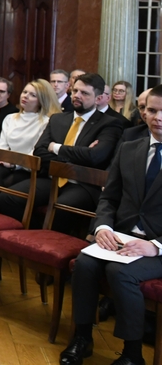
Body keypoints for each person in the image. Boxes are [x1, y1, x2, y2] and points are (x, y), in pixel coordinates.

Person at [59, 84, 162, 365]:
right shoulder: (130, 147)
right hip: (121, 236)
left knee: (119, 273)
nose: (158, 117)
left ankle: (132, 354)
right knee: (85, 263)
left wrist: (154, 246)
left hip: (157, 246)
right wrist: (102, 227)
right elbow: (109, 197)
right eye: (152, 110)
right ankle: (82, 338)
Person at [0, 73, 123, 232]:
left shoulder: (110, 124)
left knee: (61, 208)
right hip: (52, 178)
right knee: (8, 198)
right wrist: (77, 157)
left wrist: (56, 147)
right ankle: (34, 236)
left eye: (84, 93)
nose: (77, 96)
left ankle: (51, 246)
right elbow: (40, 151)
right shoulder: (58, 119)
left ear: (98, 99)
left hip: (82, 184)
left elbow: (95, 156)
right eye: (75, 91)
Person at [0, 79, 61, 191]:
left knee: (0, 182)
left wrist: (14, 164)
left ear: (41, 101)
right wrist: (2, 159)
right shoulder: (10, 118)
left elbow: (35, 152)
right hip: (6, 163)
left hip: (27, 168)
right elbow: (1, 145)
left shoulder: (46, 122)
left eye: (32, 95)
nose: (25, 96)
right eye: (25, 92)